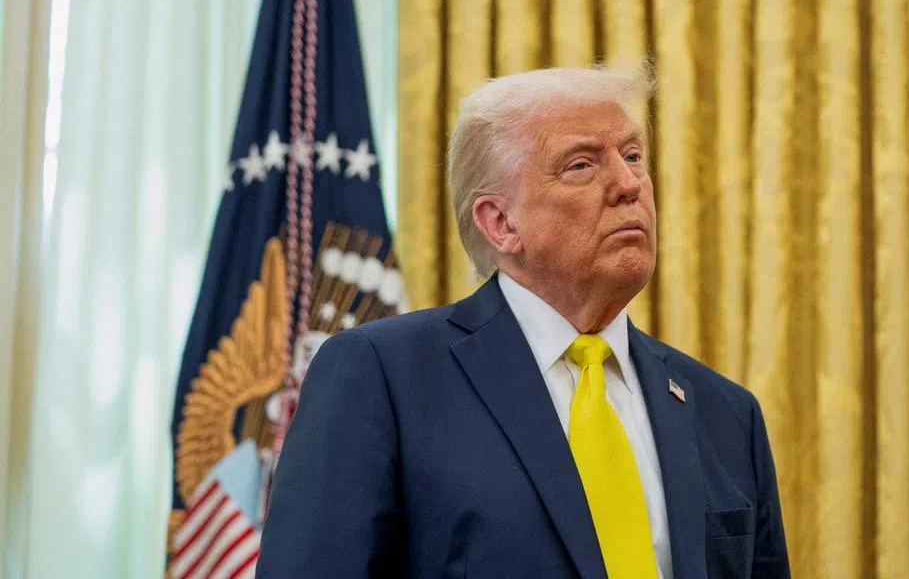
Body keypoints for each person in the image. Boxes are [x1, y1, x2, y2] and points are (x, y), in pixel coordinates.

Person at [256, 67, 791, 578]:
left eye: (633, 156)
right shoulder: (384, 378)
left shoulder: (726, 414)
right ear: (501, 223)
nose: (629, 184)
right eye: (581, 165)